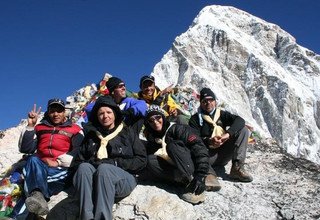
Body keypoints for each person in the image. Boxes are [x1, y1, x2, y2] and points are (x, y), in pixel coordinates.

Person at [73, 95, 147, 220]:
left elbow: (141, 160)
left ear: (115, 114)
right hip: (96, 181)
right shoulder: (91, 136)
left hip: (123, 179)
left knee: (105, 169)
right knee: (84, 167)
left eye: (108, 112)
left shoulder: (127, 132)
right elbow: (78, 162)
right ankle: (86, 217)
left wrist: (115, 163)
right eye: (101, 113)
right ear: (96, 116)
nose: (105, 116)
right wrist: (94, 162)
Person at [18, 98, 83, 216]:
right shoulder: (40, 128)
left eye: (59, 111)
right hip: (40, 166)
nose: (56, 114)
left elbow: (79, 150)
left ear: (65, 112)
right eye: (52, 111)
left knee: (33, 185)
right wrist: (30, 126)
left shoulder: (75, 129)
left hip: (60, 169)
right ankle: (38, 196)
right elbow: (26, 149)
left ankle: (36, 197)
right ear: (48, 112)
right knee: (32, 159)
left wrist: (58, 162)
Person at [143, 105, 209, 205]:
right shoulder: (153, 138)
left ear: (163, 117)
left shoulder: (178, 129)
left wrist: (201, 174)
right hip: (176, 170)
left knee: (172, 146)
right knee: (150, 160)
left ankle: (193, 183)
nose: (155, 122)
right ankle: (183, 182)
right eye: (151, 120)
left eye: (158, 118)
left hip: (192, 166)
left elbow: (198, 147)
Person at [189, 88, 253, 190]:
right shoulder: (195, 119)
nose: (208, 103)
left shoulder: (221, 114)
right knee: (193, 151)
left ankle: (237, 167)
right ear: (201, 103)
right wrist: (209, 141)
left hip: (224, 152)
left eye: (211, 100)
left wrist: (227, 135)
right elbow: (194, 139)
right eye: (205, 101)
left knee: (244, 130)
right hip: (208, 156)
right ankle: (209, 174)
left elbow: (240, 121)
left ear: (215, 102)